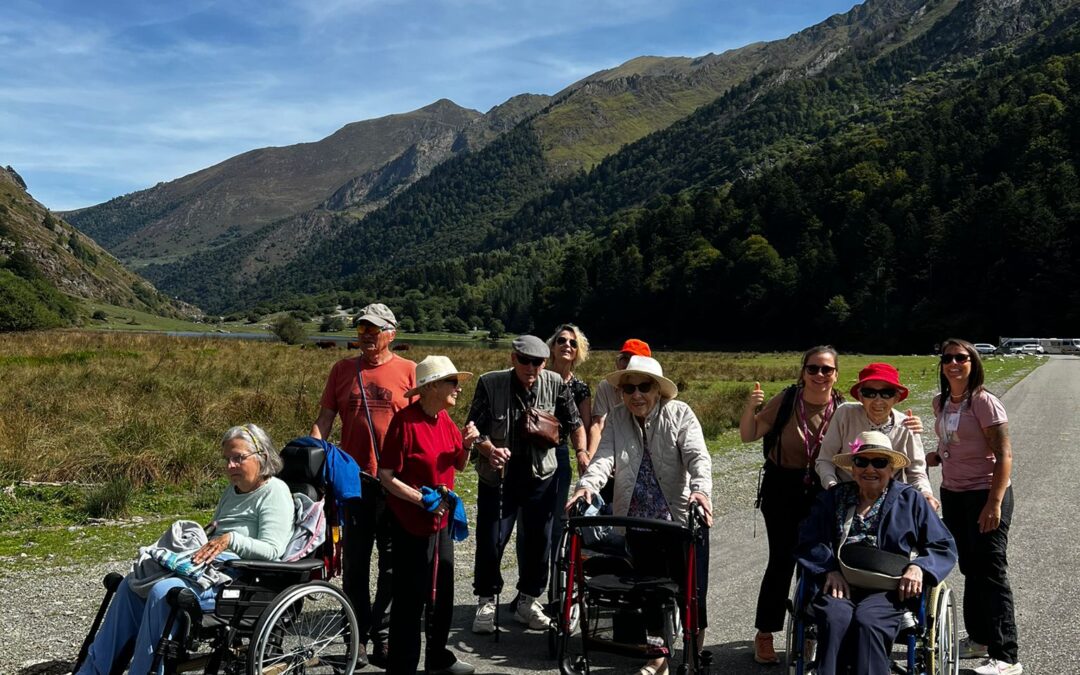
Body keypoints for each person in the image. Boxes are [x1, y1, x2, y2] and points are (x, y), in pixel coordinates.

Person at [77, 425, 294, 675]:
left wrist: (230, 540)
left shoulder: (275, 492)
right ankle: (93, 670)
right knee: (132, 585)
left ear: (262, 456)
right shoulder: (232, 491)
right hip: (209, 569)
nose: (230, 466)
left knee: (163, 591)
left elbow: (273, 550)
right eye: (227, 459)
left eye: (238, 458)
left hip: (241, 581)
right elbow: (215, 533)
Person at [570, 355, 713, 675]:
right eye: (629, 388)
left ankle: (692, 653)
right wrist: (587, 487)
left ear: (658, 390)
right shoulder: (617, 418)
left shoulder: (680, 414)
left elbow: (697, 457)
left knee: (692, 593)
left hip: (679, 521)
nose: (636, 394)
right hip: (638, 521)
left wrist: (701, 491)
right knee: (649, 594)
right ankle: (658, 659)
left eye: (644, 387)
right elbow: (603, 460)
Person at [795, 431, 957, 675]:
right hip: (839, 583)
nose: (869, 469)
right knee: (834, 618)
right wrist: (828, 569)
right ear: (852, 468)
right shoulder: (833, 498)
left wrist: (919, 567)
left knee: (869, 621)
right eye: (862, 462)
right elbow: (808, 538)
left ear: (891, 469)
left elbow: (942, 544)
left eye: (879, 462)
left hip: (889, 589)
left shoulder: (910, 500)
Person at [310, 302, 416, 667]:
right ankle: (355, 637)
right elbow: (325, 419)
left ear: (391, 333)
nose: (366, 335)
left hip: (395, 481)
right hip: (353, 482)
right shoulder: (342, 370)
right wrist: (312, 457)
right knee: (355, 563)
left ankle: (382, 634)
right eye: (361, 329)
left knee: (392, 564)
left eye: (374, 329)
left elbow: (422, 422)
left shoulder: (409, 370)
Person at [467, 335, 586, 633]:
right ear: (513, 358)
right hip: (499, 474)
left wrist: (583, 454)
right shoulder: (490, 383)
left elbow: (575, 423)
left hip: (541, 475)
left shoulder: (556, 383)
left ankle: (528, 601)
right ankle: (486, 601)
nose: (531, 367)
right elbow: (473, 428)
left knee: (539, 541)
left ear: (545, 363)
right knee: (492, 538)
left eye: (537, 362)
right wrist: (489, 450)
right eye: (525, 361)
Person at [738, 345, 843, 664]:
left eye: (826, 369)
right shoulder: (787, 400)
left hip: (824, 489)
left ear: (836, 374)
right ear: (803, 372)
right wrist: (750, 407)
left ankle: (809, 632)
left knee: (817, 562)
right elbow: (749, 434)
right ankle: (765, 633)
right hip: (782, 488)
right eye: (813, 369)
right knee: (781, 560)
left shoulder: (843, 408)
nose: (819, 375)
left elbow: (862, 443)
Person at [378, 356, 478, 675]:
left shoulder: (444, 419)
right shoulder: (404, 422)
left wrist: (468, 445)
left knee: (442, 593)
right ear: (432, 386)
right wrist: (422, 500)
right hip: (410, 521)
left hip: (441, 520)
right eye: (452, 382)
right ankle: (402, 666)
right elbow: (386, 476)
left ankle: (438, 658)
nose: (458, 388)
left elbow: (458, 464)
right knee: (410, 598)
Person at [928, 339, 1022, 675]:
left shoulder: (984, 402)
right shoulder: (941, 402)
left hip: (985, 492)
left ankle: (1006, 656)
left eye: (961, 358)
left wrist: (994, 504)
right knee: (970, 566)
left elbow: (1004, 455)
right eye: (948, 358)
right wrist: (937, 455)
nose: (953, 363)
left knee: (991, 570)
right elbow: (952, 441)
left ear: (973, 362)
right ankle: (980, 639)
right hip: (953, 493)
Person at [816, 362, 937, 509]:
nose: (878, 400)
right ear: (860, 396)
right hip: (845, 495)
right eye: (869, 393)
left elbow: (916, 472)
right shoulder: (845, 414)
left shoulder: (907, 425)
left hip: (890, 500)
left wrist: (926, 494)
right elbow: (825, 460)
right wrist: (833, 488)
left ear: (896, 398)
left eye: (887, 393)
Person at [545, 323, 592, 570]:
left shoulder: (580, 388)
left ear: (577, 352)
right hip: (532, 453)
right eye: (561, 340)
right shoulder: (536, 377)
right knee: (529, 519)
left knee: (556, 518)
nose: (567, 345)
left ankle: (555, 576)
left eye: (573, 343)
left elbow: (583, 426)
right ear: (552, 347)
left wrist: (583, 454)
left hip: (560, 453)